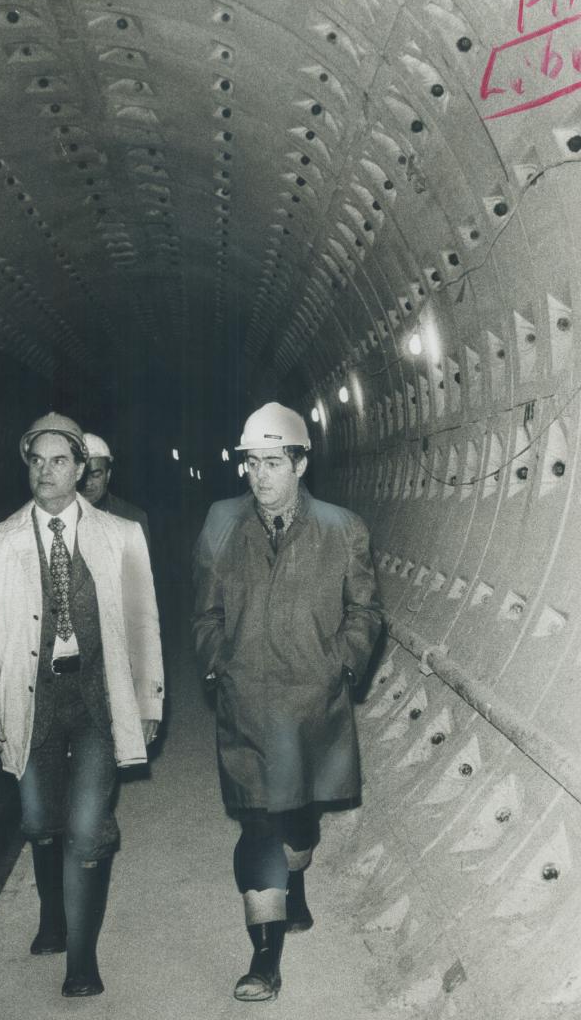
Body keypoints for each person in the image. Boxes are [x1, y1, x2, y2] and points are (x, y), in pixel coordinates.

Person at [0, 412, 164, 998]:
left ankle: (81, 958)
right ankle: (51, 915)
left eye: (58, 461)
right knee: (40, 821)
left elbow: (144, 622)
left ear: (81, 469)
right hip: (33, 696)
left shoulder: (121, 536)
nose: (45, 472)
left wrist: (148, 699)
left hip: (97, 697)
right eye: (36, 460)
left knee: (84, 828)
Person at [192, 401, 383, 1002]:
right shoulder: (222, 524)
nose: (260, 477)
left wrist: (342, 663)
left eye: (273, 463)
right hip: (246, 705)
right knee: (259, 826)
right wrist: (217, 661)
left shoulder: (341, 528)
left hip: (311, 707)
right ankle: (264, 958)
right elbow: (205, 612)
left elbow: (366, 611)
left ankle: (295, 886)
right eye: (251, 463)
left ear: (300, 463)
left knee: (297, 825)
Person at [79, 432, 151, 551]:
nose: (88, 483)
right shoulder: (60, 515)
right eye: (82, 476)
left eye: (96, 475)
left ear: (108, 475)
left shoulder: (132, 517)